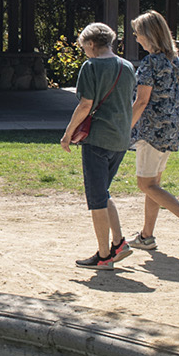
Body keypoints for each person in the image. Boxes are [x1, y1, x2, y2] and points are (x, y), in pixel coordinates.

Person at [126, 10, 179, 254]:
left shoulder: (150, 63)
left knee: (146, 185)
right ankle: (146, 236)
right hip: (172, 128)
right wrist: (174, 123)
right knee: (154, 183)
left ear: (148, 35)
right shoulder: (175, 60)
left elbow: (141, 102)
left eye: (137, 33)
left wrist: (124, 127)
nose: (135, 37)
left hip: (152, 131)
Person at [60, 22, 136, 268]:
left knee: (96, 199)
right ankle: (119, 243)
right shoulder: (127, 66)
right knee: (103, 192)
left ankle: (104, 256)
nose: (84, 51)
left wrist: (68, 133)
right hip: (121, 139)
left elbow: (85, 105)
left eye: (84, 46)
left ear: (92, 44)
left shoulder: (91, 67)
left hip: (97, 140)